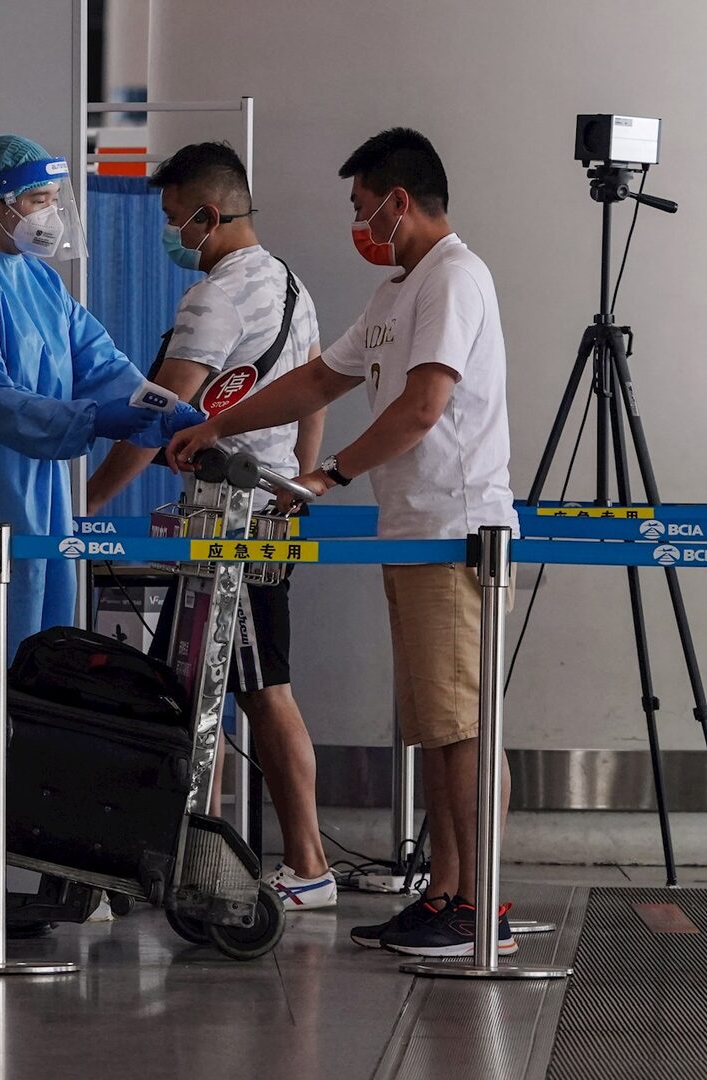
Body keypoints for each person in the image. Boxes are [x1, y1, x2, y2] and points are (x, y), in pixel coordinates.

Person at [169, 128, 518, 957]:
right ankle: (447, 894)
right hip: (413, 532)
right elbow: (320, 378)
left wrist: (327, 473)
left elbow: (424, 406)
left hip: (453, 529)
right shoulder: (399, 290)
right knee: (438, 728)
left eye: (363, 208)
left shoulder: (455, 277)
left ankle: (484, 910)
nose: (358, 225)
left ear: (399, 201)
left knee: (465, 727)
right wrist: (219, 422)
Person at [0, 133, 201, 773]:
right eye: (38, 199)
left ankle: (28, 809)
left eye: (55, 198)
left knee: (43, 649)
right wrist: (94, 419)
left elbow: (104, 365)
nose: (51, 213)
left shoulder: (41, 282)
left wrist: (166, 412)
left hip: (42, 483)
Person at [86, 141, 335, 910]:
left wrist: (88, 502)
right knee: (202, 692)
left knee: (261, 691)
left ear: (208, 212)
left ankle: (307, 864)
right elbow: (314, 394)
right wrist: (299, 480)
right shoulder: (290, 284)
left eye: (174, 218)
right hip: (266, 508)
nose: (172, 233)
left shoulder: (215, 297)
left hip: (231, 522)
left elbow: (157, 414)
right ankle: (195, 853)